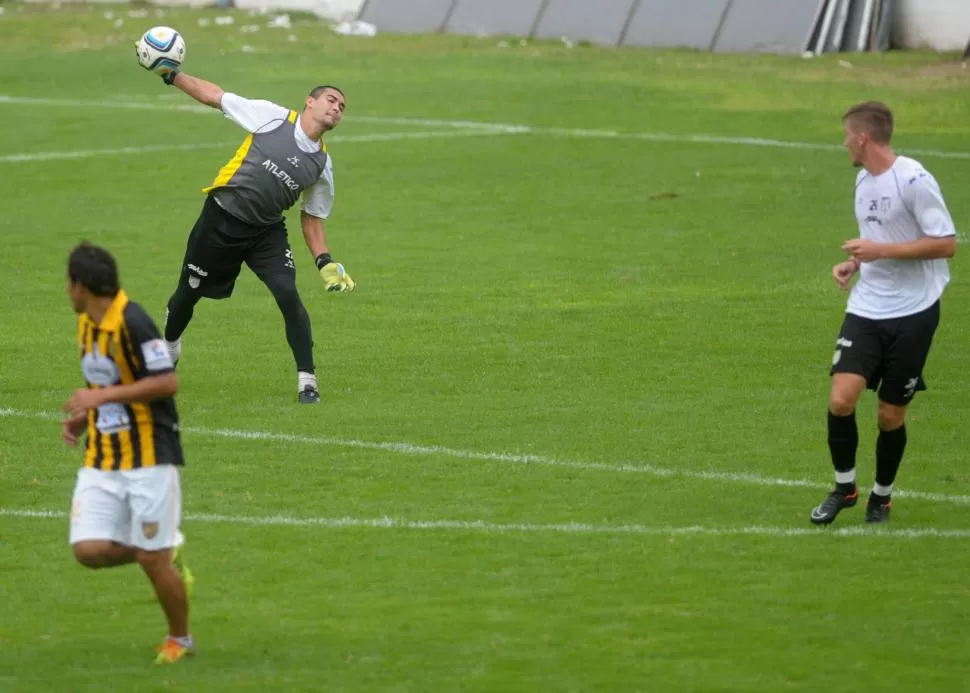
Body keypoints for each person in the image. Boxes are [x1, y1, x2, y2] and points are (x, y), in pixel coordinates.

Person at [140, 58, 356, 404]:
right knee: (188, 293)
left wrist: (324, 261)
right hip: (220, 219)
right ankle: (170, 346)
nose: (337, 108)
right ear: (310, 102)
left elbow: (312, 216)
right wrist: (173, 76)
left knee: (287, 293)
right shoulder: (271, 117)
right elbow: (216, 97)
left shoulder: (322, 165)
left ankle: (307, 382)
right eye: (331, 99)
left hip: (265, 233)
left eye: (342, 107)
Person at [810, 101, 957, 526]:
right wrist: (856, 263)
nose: (843, 144)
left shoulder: (914, 180)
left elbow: (946, 243)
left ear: (863, 138)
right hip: (867, 307)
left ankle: (882, 495)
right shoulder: (862, 181)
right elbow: (877, 237)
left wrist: (879, 251)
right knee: (840, 401)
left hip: (914, 312)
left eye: (846, 136)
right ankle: (845, 488)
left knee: (890, 415)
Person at [63, 242, 195, 664]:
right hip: (101, 457)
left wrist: (98, 400)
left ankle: (180, 639)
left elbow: (165, 383)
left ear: (81, 286)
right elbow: (107, 383)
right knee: (88, 550)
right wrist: (85, 417)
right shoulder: (87, 324)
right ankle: (160, 551)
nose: (68, 292)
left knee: (153, 564)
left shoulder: (134, 321)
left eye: (69, 284)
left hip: (150, 458)